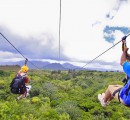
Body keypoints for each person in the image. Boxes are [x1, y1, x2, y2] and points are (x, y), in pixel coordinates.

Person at [98, 39, 130, 107]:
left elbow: (122, 62)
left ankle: (104, 101)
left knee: (110, 87)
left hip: (127, 100)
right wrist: (125, 52)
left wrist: (124, 51)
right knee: (117, 86)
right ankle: (107, 98)